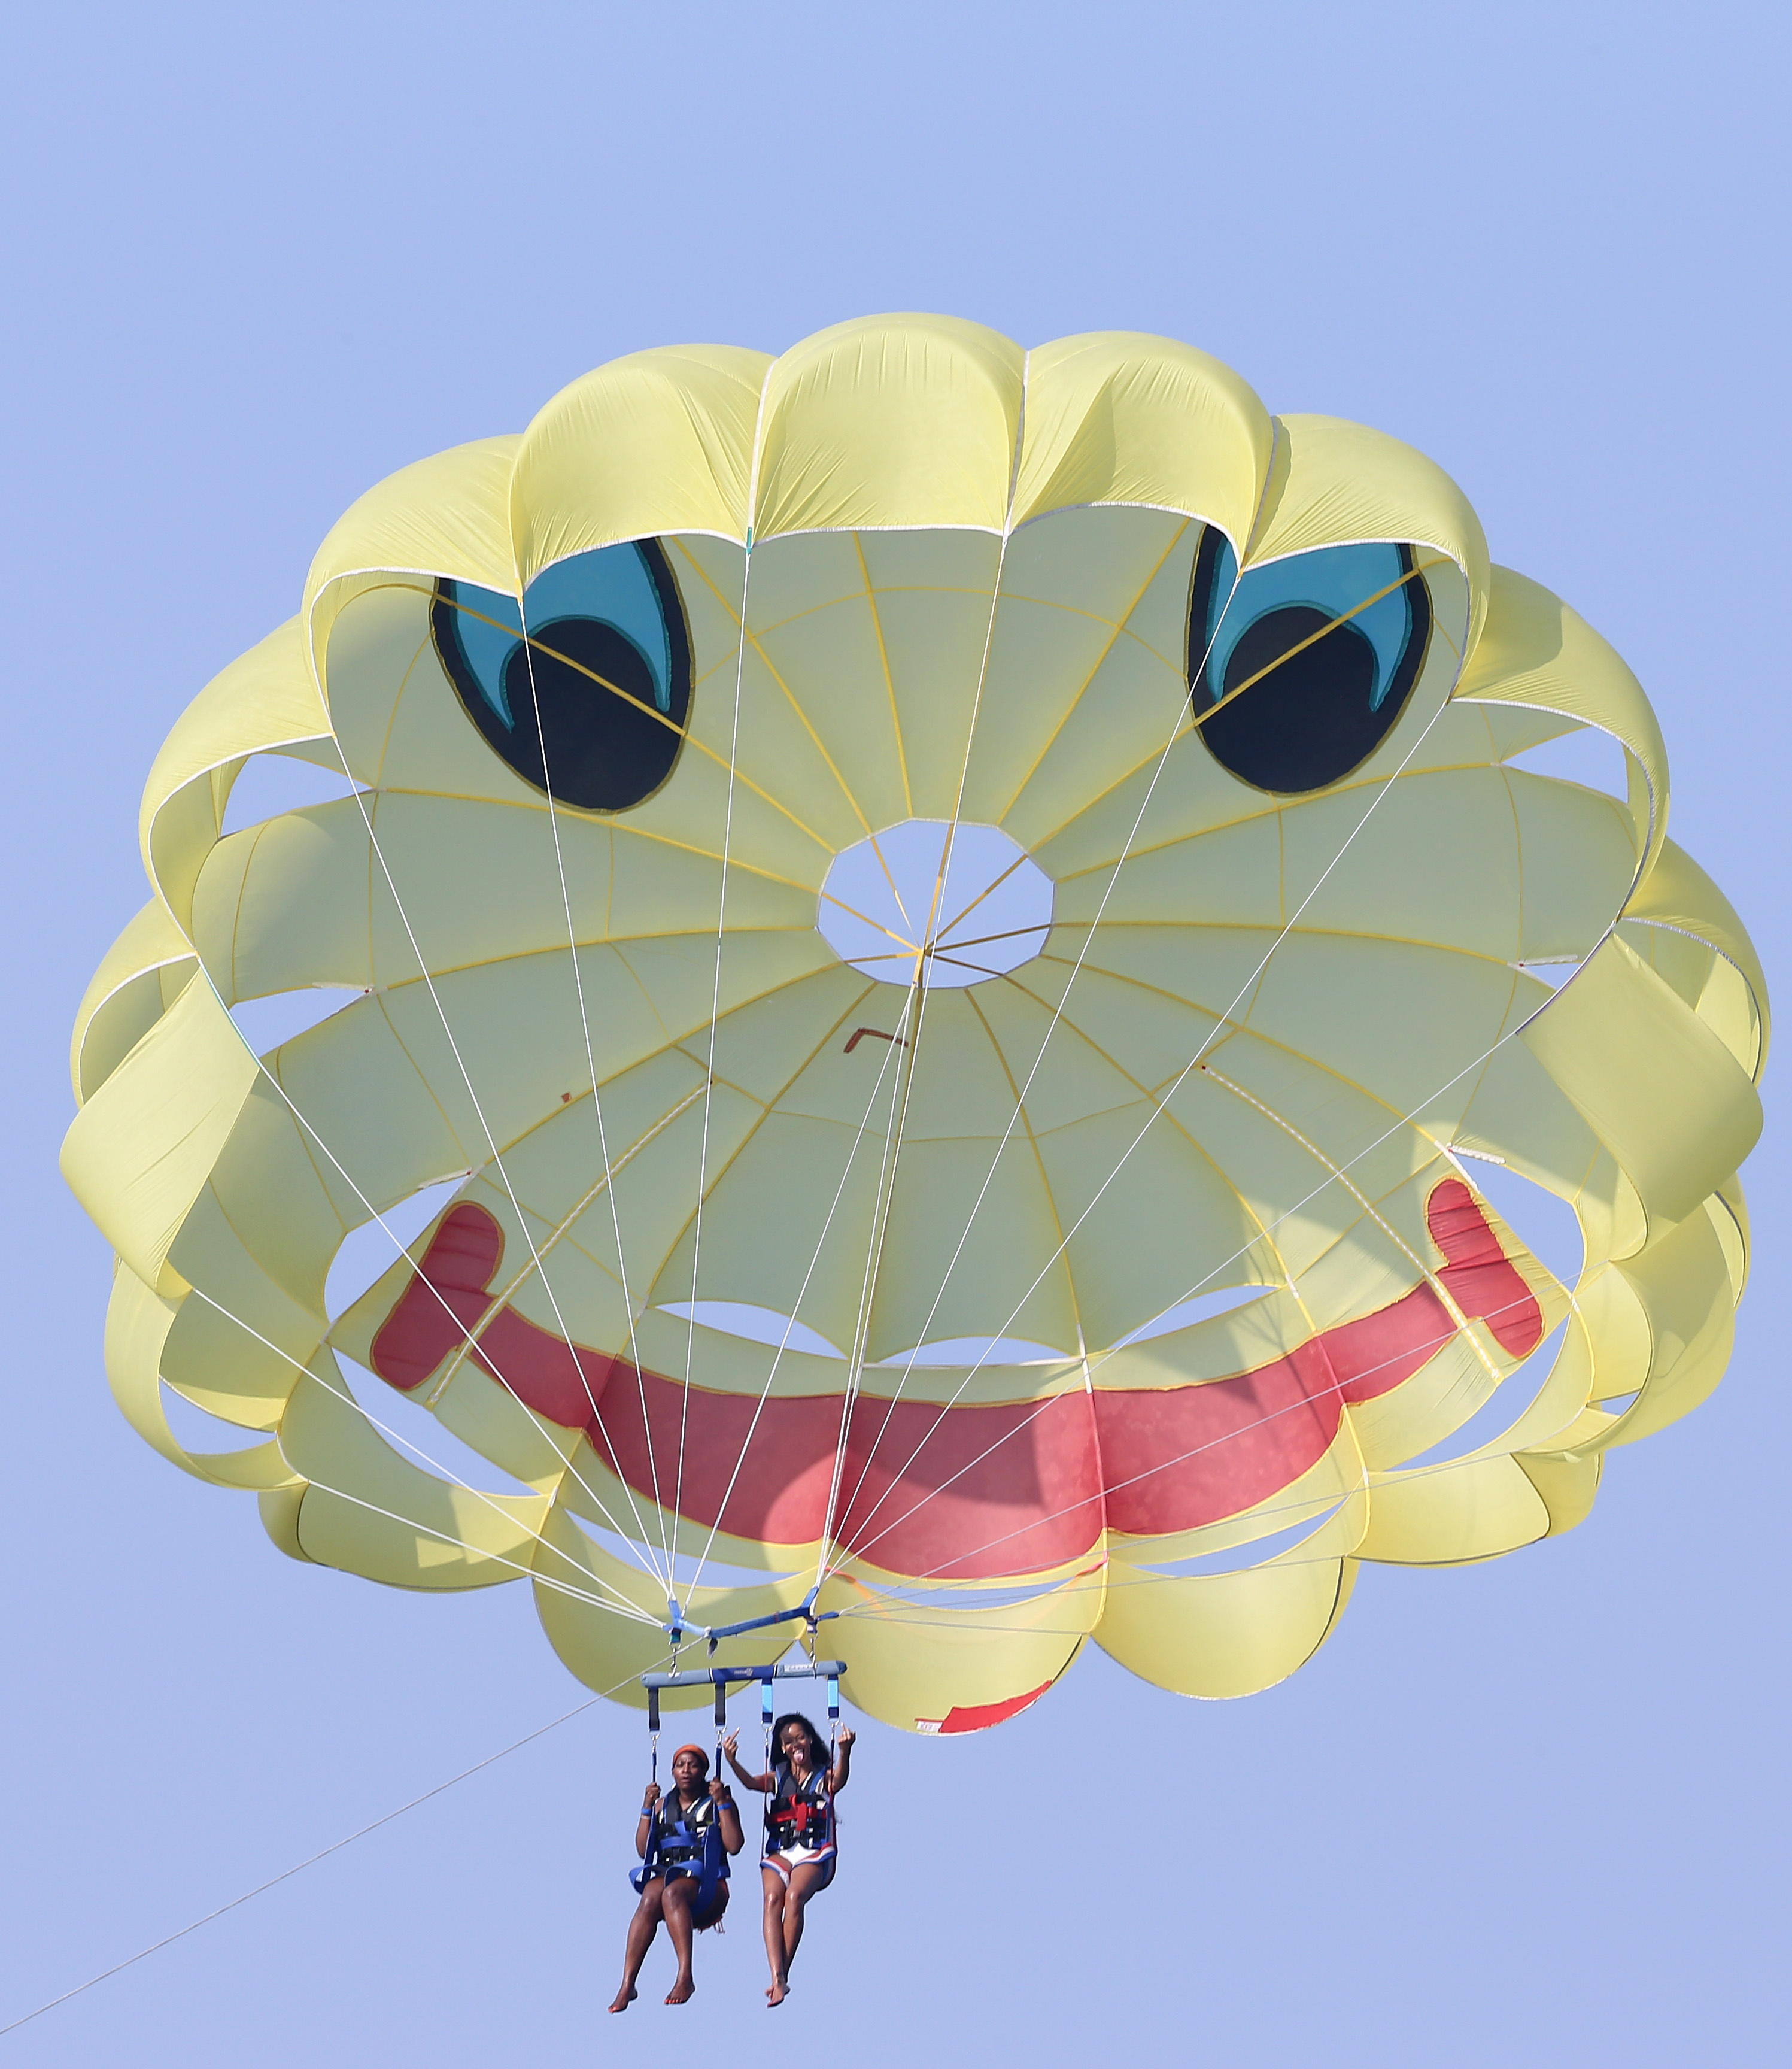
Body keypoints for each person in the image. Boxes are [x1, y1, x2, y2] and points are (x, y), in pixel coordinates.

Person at [724, 1715, 855, 2008]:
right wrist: (732, 1761)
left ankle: (782, 1975)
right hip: (781, 1851)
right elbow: (751, 1783)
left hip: (815, 1852)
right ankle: (776, 1976)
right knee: (772, 1899)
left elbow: (838, 1781)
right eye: (788, 1741)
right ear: (782, 1748)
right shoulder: (779, 1777)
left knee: (794, 1897)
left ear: (810, 1740)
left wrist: (845, 1751)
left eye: (800, 1737)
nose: (796, 1744)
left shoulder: (823, 1776)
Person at [610, 1743, 743, 2011]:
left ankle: (685, 1976)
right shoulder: (662, 1805)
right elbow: (642, 1850)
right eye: (680, 1765)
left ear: (704, 1771)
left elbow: (735, 1845)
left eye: (693, 1765)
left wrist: (722, 1803)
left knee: (672, 1893)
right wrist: (647, 1807)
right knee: (650, 1896)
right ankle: (628, 1984)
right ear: (672, 1771)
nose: (686, 1771)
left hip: (709, 1886)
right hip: (670, 1875)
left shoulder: (718, 1802)